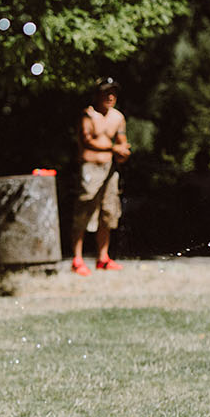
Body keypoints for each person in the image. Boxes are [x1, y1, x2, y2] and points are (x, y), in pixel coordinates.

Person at [70, 77, 131, 275]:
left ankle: (103, 258)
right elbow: (86, 140)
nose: (110, 96)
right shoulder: (88, 115)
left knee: (108, 212)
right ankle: (77, 259)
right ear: (97, 94)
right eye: (106, 92)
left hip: (109, 168)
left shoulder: (118, 117)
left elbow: (122, 140)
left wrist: (123, 153)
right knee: (84, 209)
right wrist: (114, 148)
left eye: (113, 92)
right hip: (90, 167)